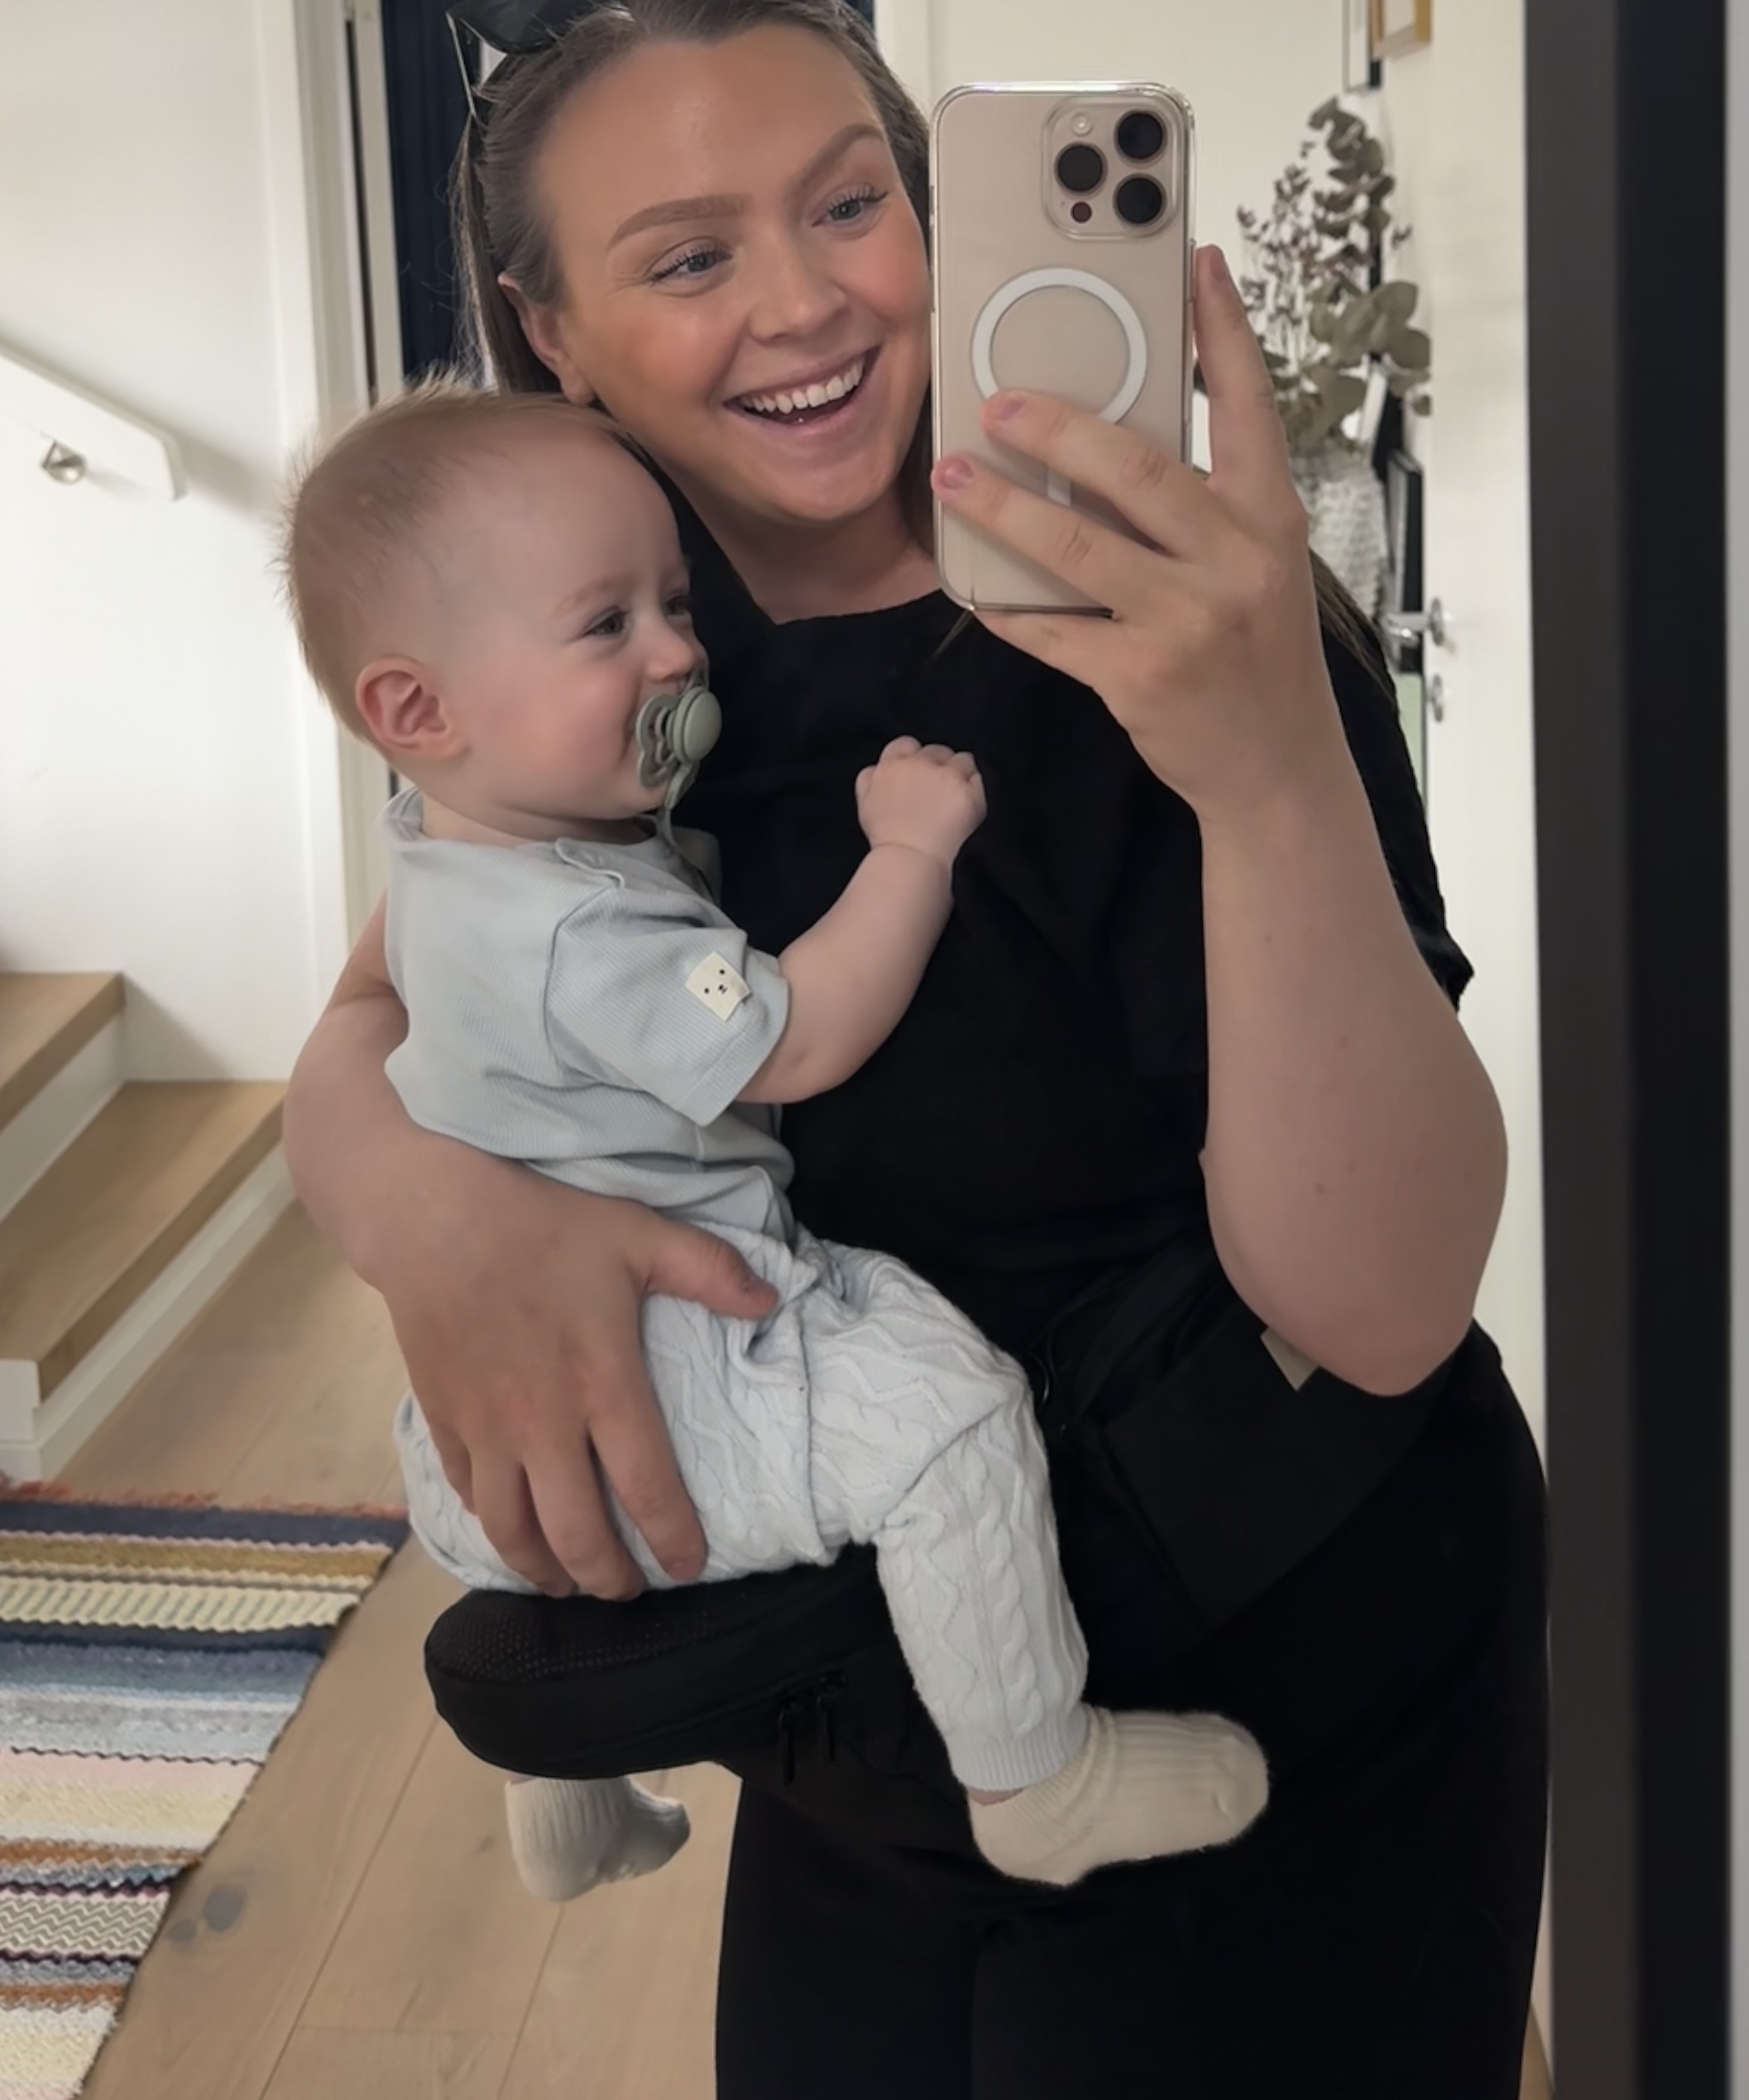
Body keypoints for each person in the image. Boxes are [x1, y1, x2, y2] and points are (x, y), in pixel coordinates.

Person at [285, 0, 1547, 2094]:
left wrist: (1262, 755)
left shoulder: (1182, 629)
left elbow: (1385, 1307)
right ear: (550, 330)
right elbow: (377, 1014)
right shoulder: (611, 668)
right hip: (877, 1708)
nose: (803, 301)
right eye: (689, 256)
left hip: (1284, 1683)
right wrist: (430, 1218)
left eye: (850, 203)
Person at [276, 381, 1269, 1898]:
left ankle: (569, 1798)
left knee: (598, 1562)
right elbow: (795, 1037)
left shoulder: (445, 850)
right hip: (674, 1375)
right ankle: (1034, 1777)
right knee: (950, 1417)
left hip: (493, 1434)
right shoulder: (582, 935)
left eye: (674, 604)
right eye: (604, 625)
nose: (678, 653)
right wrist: (910, 852)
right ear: (419, 713)